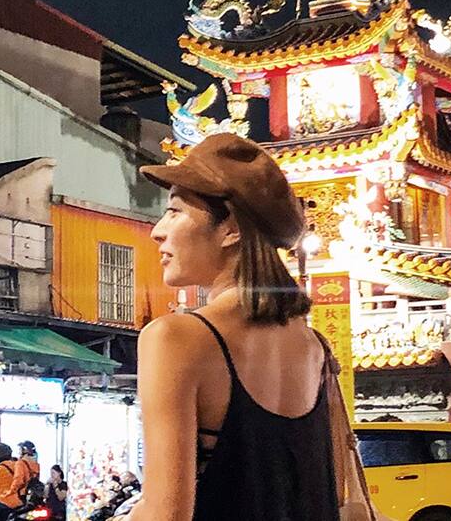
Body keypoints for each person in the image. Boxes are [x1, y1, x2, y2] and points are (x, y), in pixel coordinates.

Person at [128, 134, 353, 521]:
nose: (157, 231)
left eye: (175, 211)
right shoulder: (315, 348)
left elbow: (166, 513)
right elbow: (336, 492)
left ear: (230, 229)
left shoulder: (175, 338)